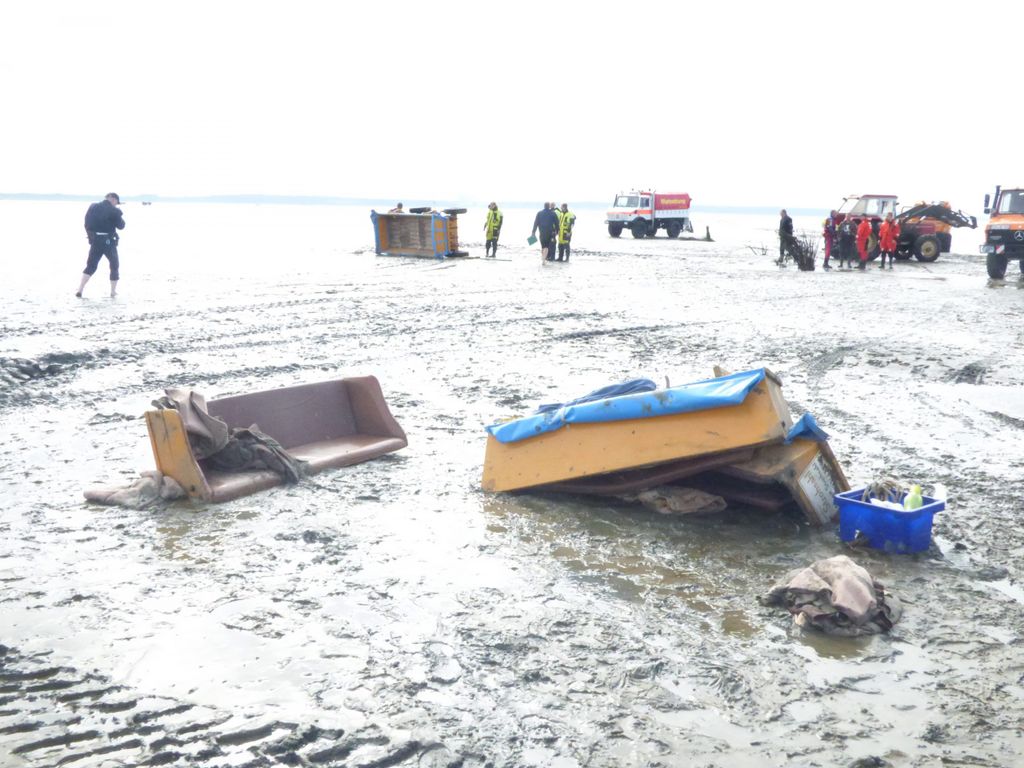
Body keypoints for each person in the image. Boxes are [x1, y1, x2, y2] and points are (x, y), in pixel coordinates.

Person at [77, 192, 125, 298]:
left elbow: (87, 224)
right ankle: (113, 292)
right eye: (117, 202)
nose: (116, 205)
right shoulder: (115, 211)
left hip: (96, 240)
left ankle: (80, 289)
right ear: (113, 199)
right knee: (114, 265)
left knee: (91, 266)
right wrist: (119, 214)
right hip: (109, 242)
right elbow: (121, 226)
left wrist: (91, 237)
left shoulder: (93, 207)